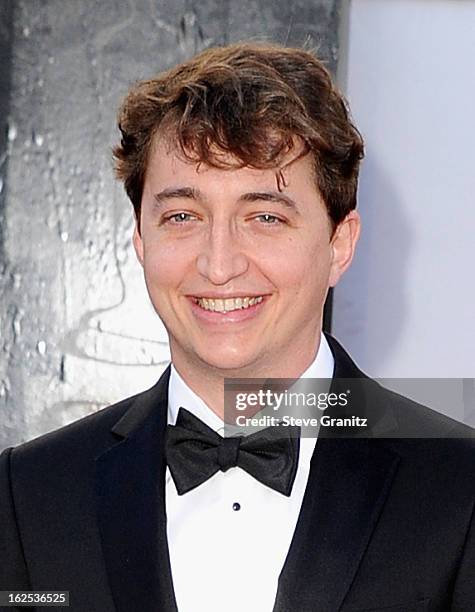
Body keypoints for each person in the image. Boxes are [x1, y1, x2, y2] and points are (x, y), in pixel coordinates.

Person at [0, 42, 474, 612]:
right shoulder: (27, 494)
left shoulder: (460, 486)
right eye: (183, 216)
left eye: (265, 217)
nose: (219, 264)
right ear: (141, 241)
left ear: (339, 245)